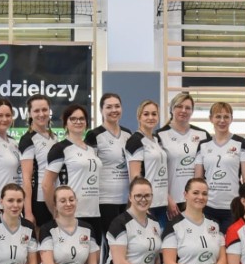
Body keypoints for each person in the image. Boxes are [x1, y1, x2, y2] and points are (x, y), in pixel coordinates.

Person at [44, 104, 105, 240]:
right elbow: (46, 185)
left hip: (94, 213)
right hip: (72, 214)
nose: (78, 122)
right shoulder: (60, 148)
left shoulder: (91, 150)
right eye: (73, 119)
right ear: (66, 123)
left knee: (94, 252)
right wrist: (55, 211)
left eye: (82, 119)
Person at [195, 101, 245, 231]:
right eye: (218, 116)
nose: (222, 120)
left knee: (231, 242)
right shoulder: (203, 145)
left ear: (231, 119)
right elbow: (197, 179)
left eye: (226, 117)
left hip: (233, 207)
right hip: (208, 206)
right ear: (211, 119)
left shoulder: (241, 143)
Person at [156, 91, 210, 222]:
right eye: (179, 106)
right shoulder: (160, 135)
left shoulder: (203, 135)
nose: (183, 110)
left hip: (196, 201)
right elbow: (156, 173)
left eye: (188, 108)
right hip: (171, 202)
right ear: (172, 109)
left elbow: (209, 168)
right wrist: (167, 199)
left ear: (192, 111)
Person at [86, 92, 132, 228]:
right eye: (109, 107)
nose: (114, 110)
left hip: (126, 198)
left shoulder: (128, 134)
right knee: (110, 238)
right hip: (105, 199)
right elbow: (89, 168)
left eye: (117, 106)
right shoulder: (94, 135)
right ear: (101, 110)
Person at [124, 100, 171, 229]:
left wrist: (168, 199)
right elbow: (135, 177)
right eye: (146, 114)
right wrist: (142, 205)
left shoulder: (157, 139)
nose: (151, 117)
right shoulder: (135, 141)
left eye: (154, 114)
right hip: (146, 205)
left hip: (161, 203)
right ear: (139, 117)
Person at [18, 95, 58, 227]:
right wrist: (28, 212)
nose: (41, 114)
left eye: (44, 110)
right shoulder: (27, 140)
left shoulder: (54, 137)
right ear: (30, 114)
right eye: (36, 111)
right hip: (38, 201)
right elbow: (26, 179)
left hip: (56, 198)